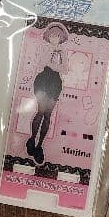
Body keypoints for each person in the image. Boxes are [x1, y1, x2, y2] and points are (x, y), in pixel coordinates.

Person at [26, 22, 69, 166]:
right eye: (52, 36)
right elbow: (41, 64)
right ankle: (32, 139)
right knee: (41, 111)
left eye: (57, 36)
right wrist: (51, 55)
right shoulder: (44, 48)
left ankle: (39, 146)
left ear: (61, 37)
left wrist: (52, 64)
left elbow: (65, 69)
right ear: (48, 36)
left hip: (55, 83)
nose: (54, 38)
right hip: (43, 80)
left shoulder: (63, 51)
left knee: (47, 115)